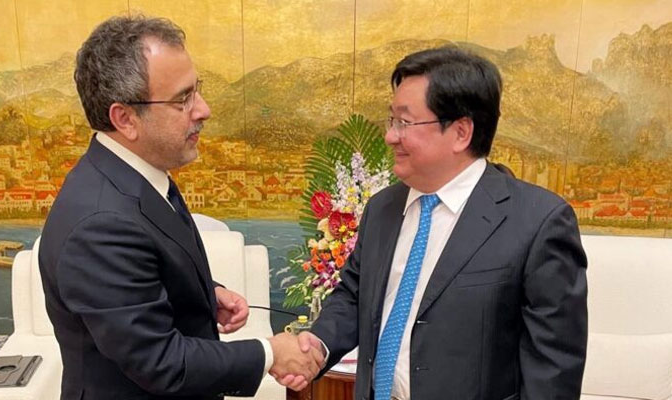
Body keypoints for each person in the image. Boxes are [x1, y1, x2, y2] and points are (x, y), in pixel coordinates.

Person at [38, 15, 322, 400]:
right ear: (125, 119)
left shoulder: (135, 176)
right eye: (182, 99)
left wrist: (207, 292)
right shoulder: (101, 224)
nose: (203, 110)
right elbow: (159, 362)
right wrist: (269, 353)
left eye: (197, 90)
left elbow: (148, 264)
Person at [286, 46, 588, 399]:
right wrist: (318, 345)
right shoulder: (382, 208)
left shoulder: (538, 222)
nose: (390, 136)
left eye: (405, 121)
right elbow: (354, 295)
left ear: (461, 132)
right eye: (391, 119)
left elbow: (553, 374)